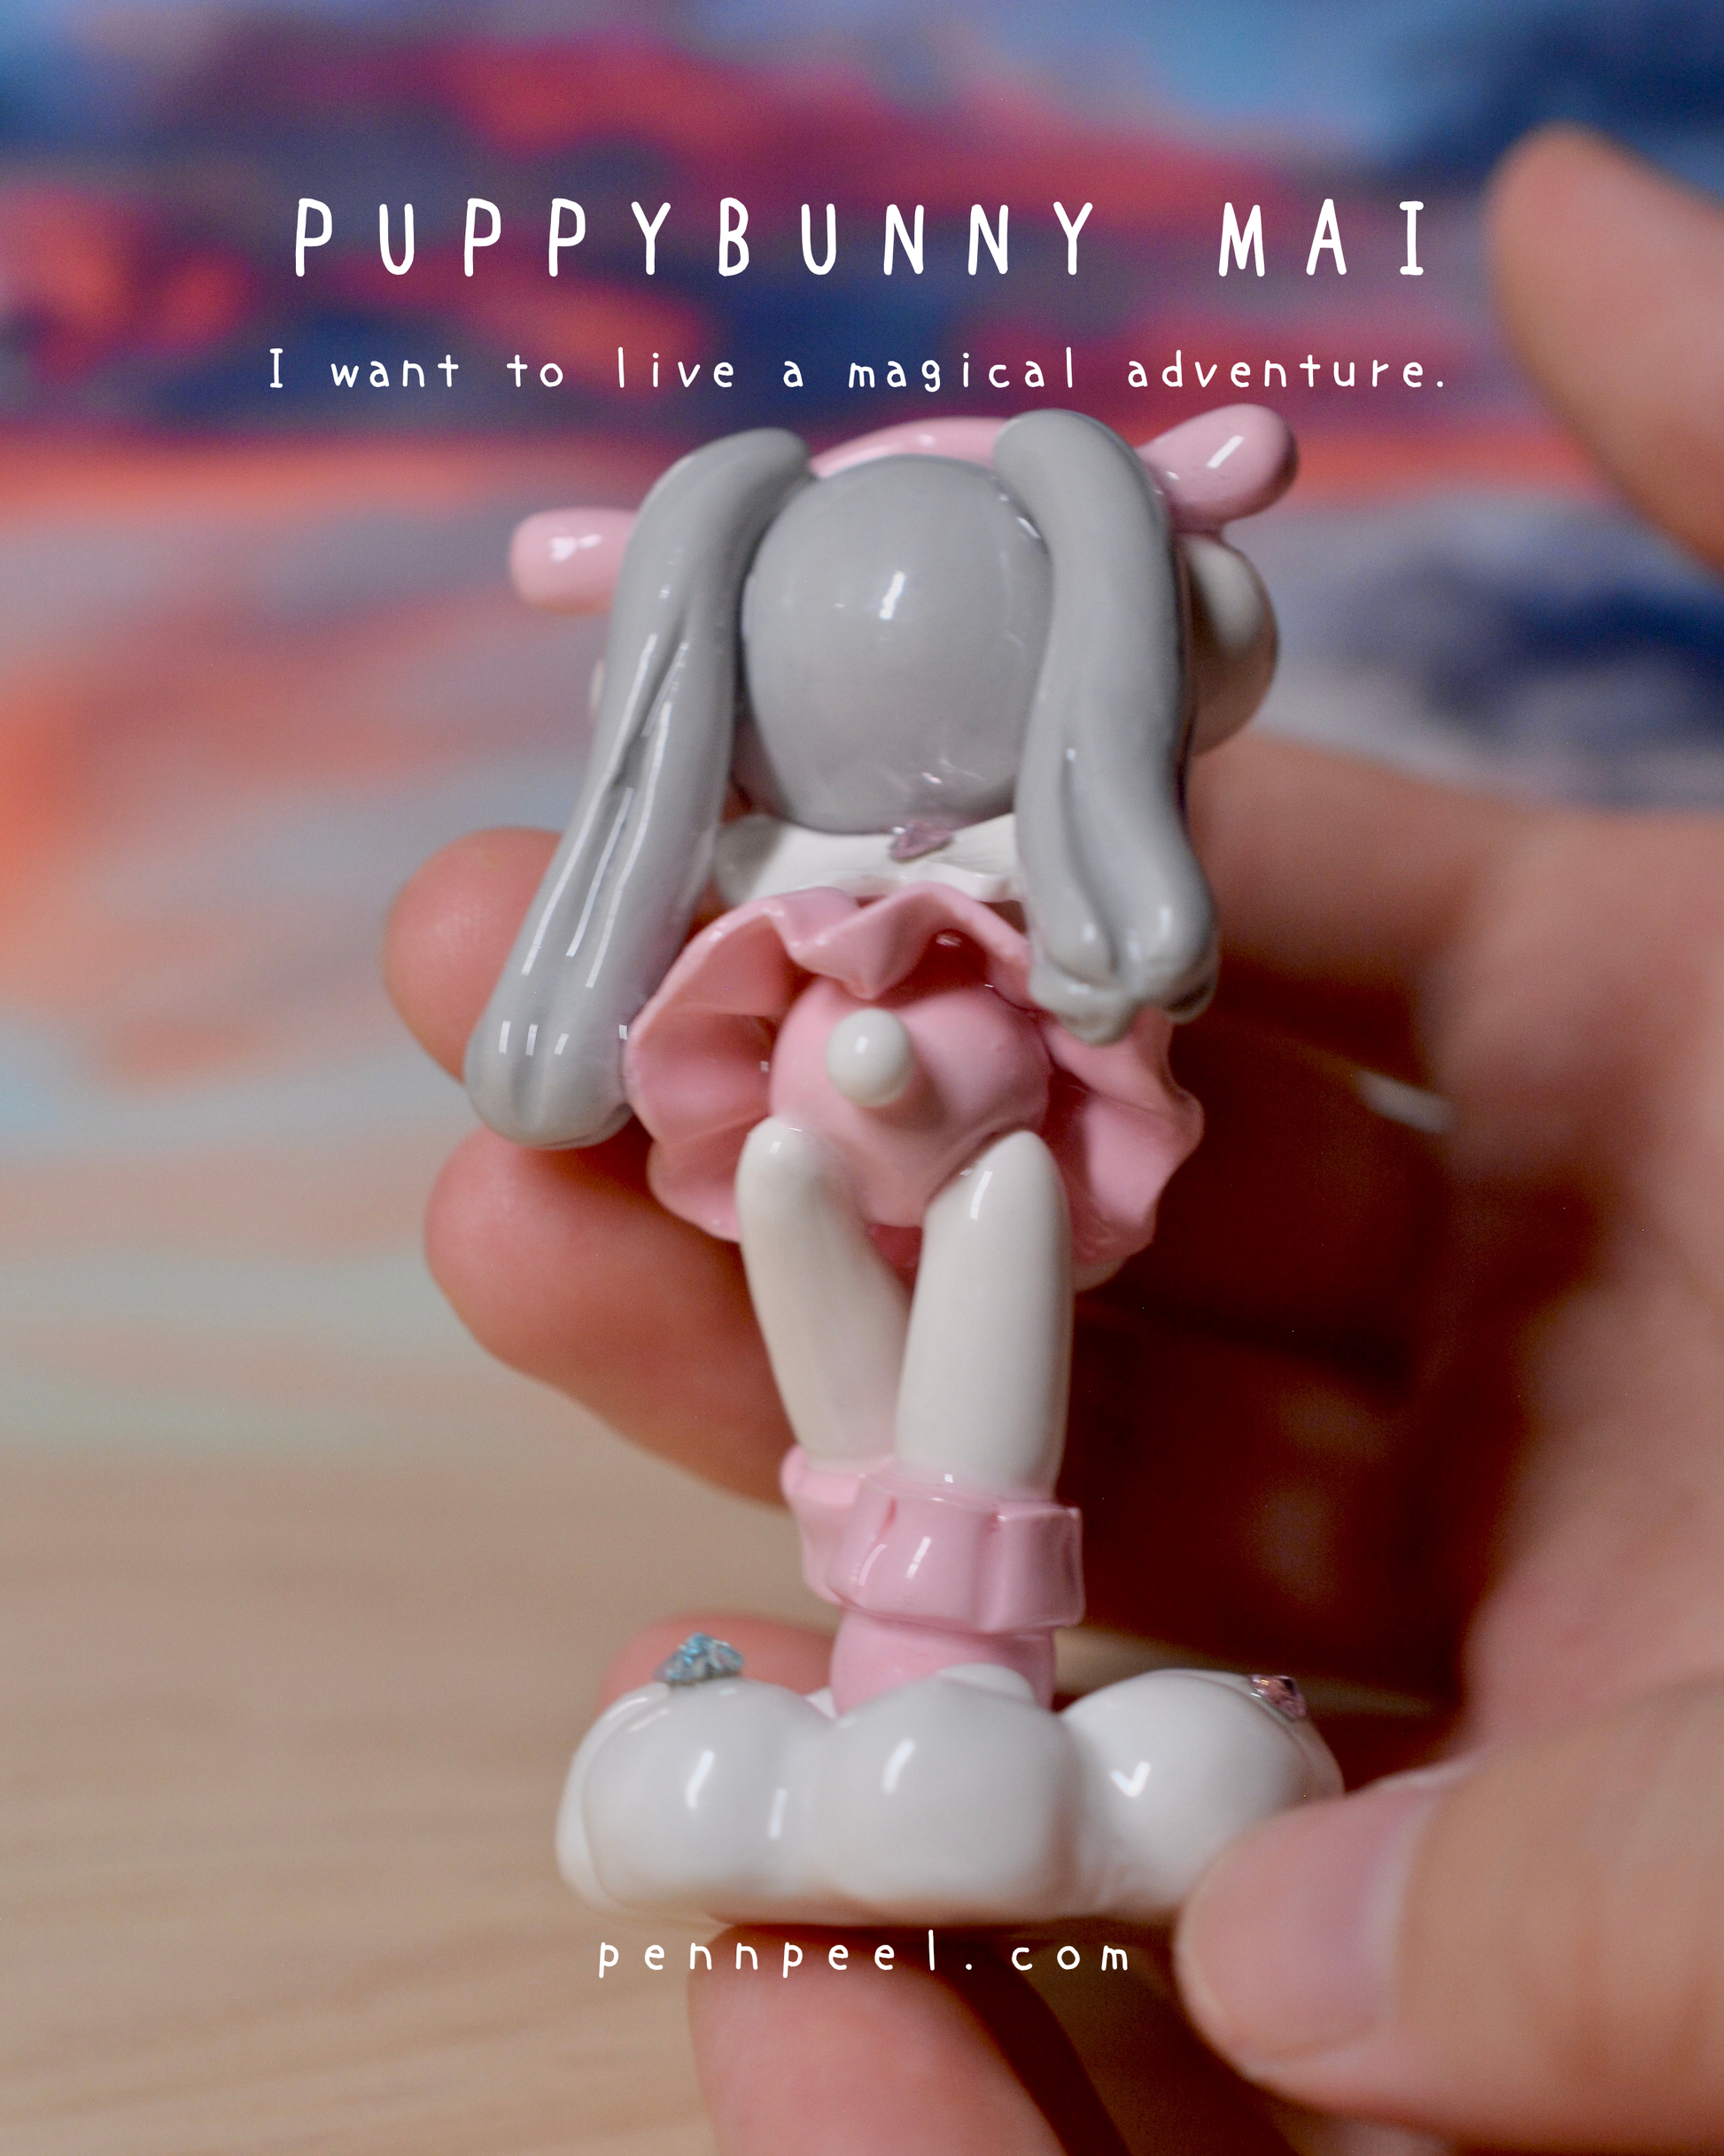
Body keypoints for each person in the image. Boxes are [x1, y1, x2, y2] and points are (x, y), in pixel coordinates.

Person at [385, 124, 1724, 2152]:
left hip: (998, 1140)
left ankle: (947, 1643)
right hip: (817, 1129)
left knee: (994, 1229)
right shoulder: (768, 922)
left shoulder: (1037, 922)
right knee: (784, 1206)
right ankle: (892, 1601)